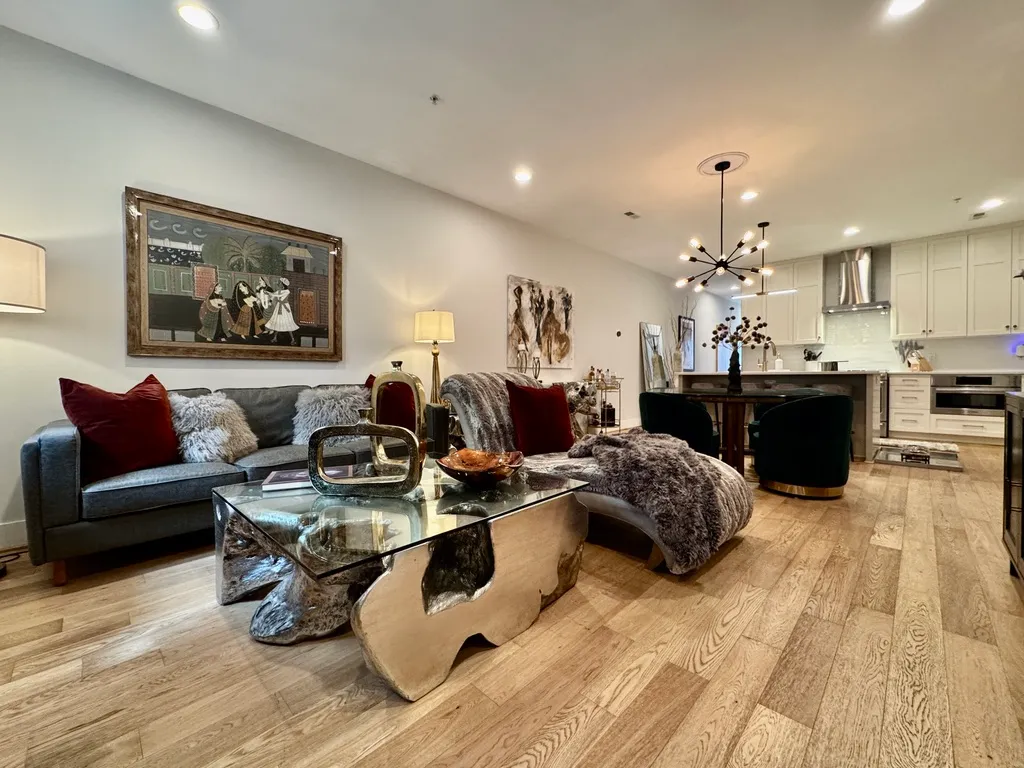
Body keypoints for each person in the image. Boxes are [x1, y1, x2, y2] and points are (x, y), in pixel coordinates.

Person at [265, 277, 300, 345]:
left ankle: (292, 339)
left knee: (287, 322)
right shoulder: (279, 291)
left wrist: (270, 293)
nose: (279, 283)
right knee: (278, 321)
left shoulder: (287, 291)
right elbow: (273, 295)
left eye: (280, 283)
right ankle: (275, 338)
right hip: (279, 306)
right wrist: (269, 298)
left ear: (283, 284)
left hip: (284, 307)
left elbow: (277, 295)